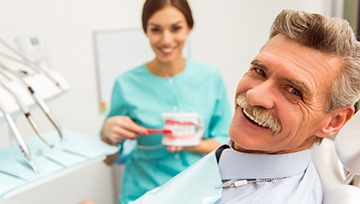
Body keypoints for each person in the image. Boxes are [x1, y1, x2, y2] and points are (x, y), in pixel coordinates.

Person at [133, 9, 360, 204]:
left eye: (293, 91)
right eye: (259, 72)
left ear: (334, 121)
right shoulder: (242, 154)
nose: (254, 95)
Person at [100, 0, 232, 203]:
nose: (166, 39)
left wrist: (192, 144)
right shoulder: (126, 84)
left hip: (199, 192)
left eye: (176, 28)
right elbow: (108, 160)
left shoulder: (210, 77)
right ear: (146, 31)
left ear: (189, 27)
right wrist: (108, 136)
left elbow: (226, 144)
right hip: (142, 194)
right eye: (156, 30)